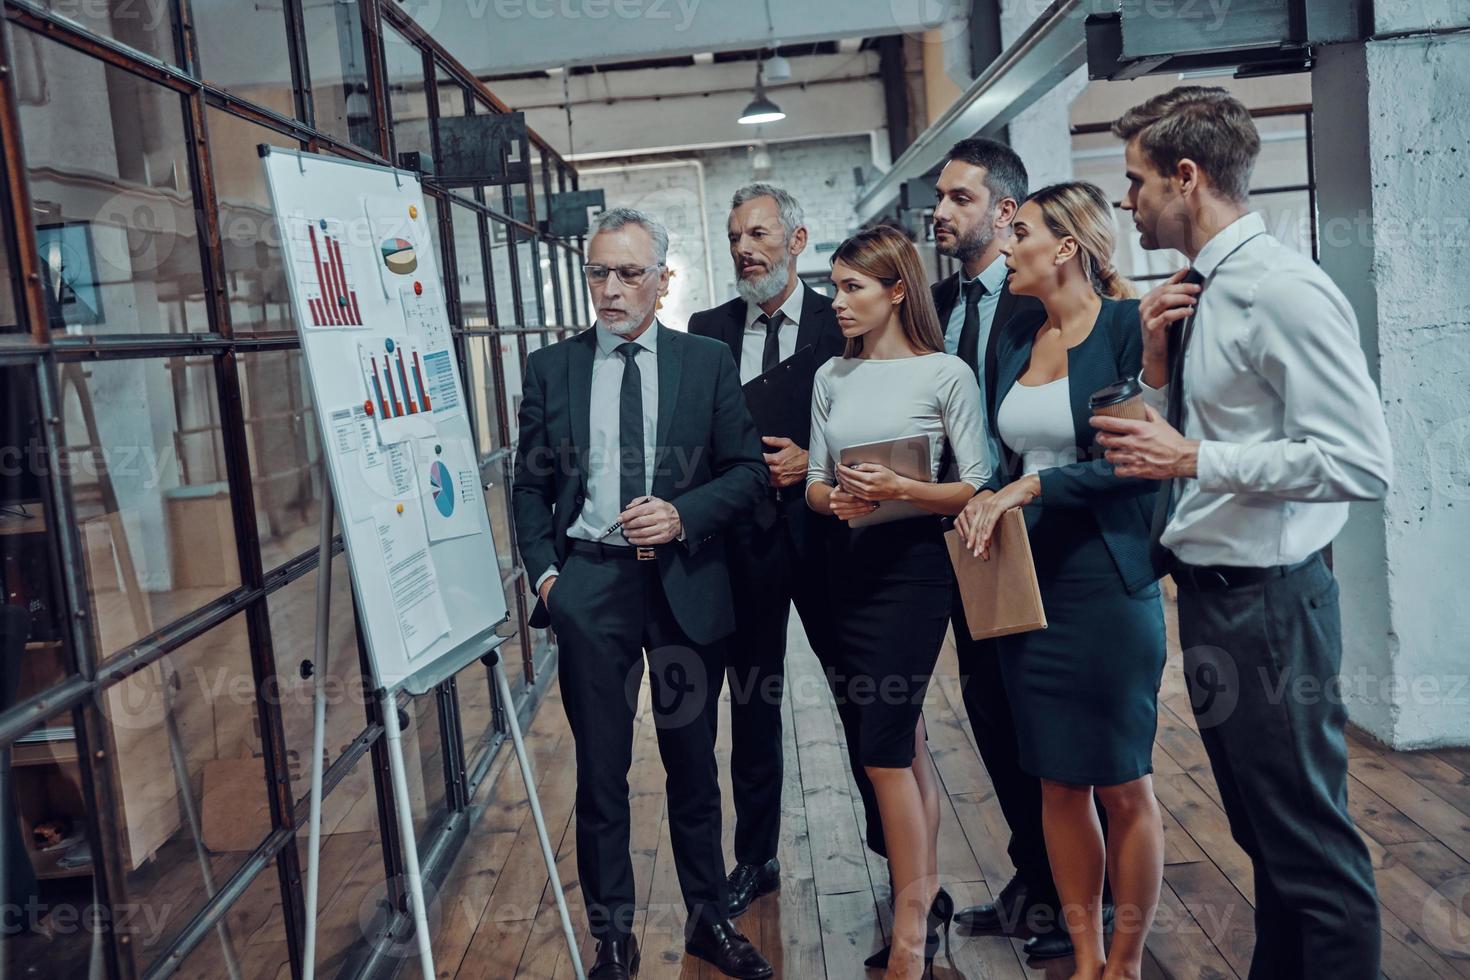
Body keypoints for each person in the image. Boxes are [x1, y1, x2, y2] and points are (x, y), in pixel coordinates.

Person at [1092, 86, 1391, 980]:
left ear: (1187, 177)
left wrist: (1196, 463)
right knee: (1264, 840)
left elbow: (1361, 463)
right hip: (1216, 603)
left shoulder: (1283, 290)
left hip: (1272, 609)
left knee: (1312, 855)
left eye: (1137, 181)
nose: (1127, 200)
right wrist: (1151, 372)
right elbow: (1199, 436)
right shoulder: (1196, 293)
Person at [512, 207, 774, 980]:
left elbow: (748, 473)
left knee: (693, 762)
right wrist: (549, 578)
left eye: (630, 273)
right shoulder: (551, 368)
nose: (611, 288)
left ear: (664, 280)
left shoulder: (705, 362)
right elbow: (528, 486)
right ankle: (614, 938)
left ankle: (706, 921)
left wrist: (682, 515)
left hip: (684, 585)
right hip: (589, 586)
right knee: (600, 774)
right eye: (599, 272)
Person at [956, 181, 1166, 980]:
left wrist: (1034, 487)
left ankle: (1127, 961)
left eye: (1021, 234)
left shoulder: (1125, 330)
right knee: (1054, 782)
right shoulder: (1019, 339)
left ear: (1067, 248)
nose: (1006, 248)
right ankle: (1083, 959)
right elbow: (1009, 461)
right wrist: (989, 494)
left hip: (1106, 582)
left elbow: (1136, 465)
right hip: (1024, 585)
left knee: (1122, 783)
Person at [806, 225, 989, 979]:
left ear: (896, 291)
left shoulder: (946, 374)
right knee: (899, 744)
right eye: (835, 286)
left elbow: (975, 483)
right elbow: (816, 482)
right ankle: (925, 895)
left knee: (881, 750)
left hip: (915, 573)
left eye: (853, 287)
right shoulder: (830, 378)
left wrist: (905, 491)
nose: (838, 301)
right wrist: (837, 504)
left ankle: (911, 935)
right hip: (843, 569)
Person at [928, 137, 1088, 960]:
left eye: (959, 197)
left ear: (1005, 211)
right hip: (963, 538)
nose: (941, 211)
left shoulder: (1039, 302)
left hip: (1040, 537)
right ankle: (1034, 879)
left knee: (1043, 725)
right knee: (989, 710)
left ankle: (1072, 902)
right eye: (940, 197)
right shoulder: (937, 305)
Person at [686, 183, 858, 917]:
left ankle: (893, 847)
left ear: (797, 240)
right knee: (752, 704)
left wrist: (813, 461)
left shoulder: (842, 320)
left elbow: (880, 418)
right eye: (733, 237)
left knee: (861, 697)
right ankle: (755, 858)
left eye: (758, 233)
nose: (743, 248)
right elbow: (695, 436)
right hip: (743, 542)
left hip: (827, 538)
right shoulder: (706, 327)